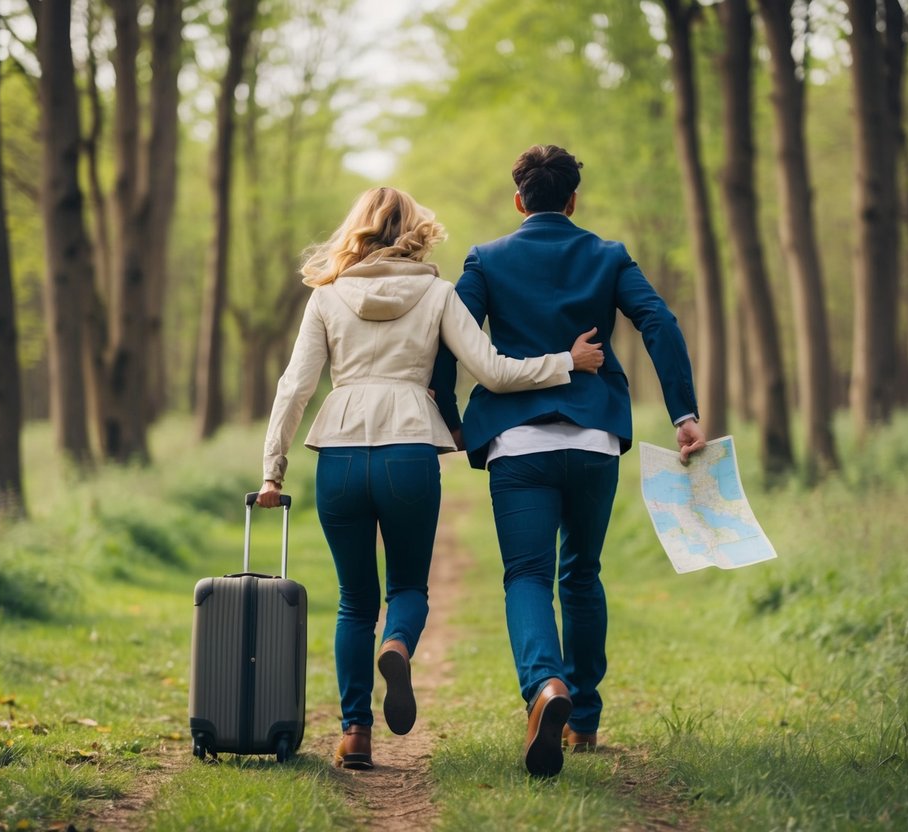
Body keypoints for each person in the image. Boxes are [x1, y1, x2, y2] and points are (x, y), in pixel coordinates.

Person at [255, 186, 605, 771]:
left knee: (352, 602)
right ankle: (399, 645)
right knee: (409, 589)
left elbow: (294, 387)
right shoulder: (438, 293)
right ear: (413, 232)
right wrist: (567, 361)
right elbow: (493, 372)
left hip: (339, 453)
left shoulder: (327, 297)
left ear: (358, 230)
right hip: (410, 452)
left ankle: (355, 734)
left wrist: (273, 469)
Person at [431, 145, 706, 778]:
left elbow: (450, 333)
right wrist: (683, 413)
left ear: (519, 199)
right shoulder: (607, 255)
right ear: (573, 199)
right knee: (581, 574)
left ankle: (545, 687)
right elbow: (658, 322)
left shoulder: (487, 259)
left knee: (527, 574)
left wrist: (446, 410)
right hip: (593, 441)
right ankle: (582, 718)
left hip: (517, 443)